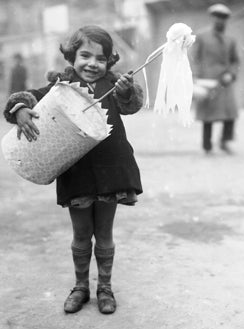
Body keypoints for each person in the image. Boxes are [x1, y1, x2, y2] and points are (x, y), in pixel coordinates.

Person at [3, 25, 143, 315]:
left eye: (100, 59)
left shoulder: (115, 84)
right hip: (76, 171)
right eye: (85, 56)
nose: (92, 64)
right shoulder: (61, 85)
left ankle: (105, 288)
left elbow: (131, 107)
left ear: (109, 62)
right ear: (71, 56)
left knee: (104, 234)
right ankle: (81, 287)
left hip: (110, 168)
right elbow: (29, 96)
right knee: (81, 234)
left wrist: (128, 92)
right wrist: (19, 108)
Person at [193, 4, 240, 154]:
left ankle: (225, 142)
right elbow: (195, 58)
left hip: (225, 82)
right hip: (207, 81)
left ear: (226, 20)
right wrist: (196, 77)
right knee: (208, 115)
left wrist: (231, 74)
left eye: (224, 18)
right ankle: (207, 145)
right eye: (217, 17)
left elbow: (235, 61)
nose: (220, 20)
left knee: (230, 113)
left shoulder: (230, 40)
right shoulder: (202, 36)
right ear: (212, 17)